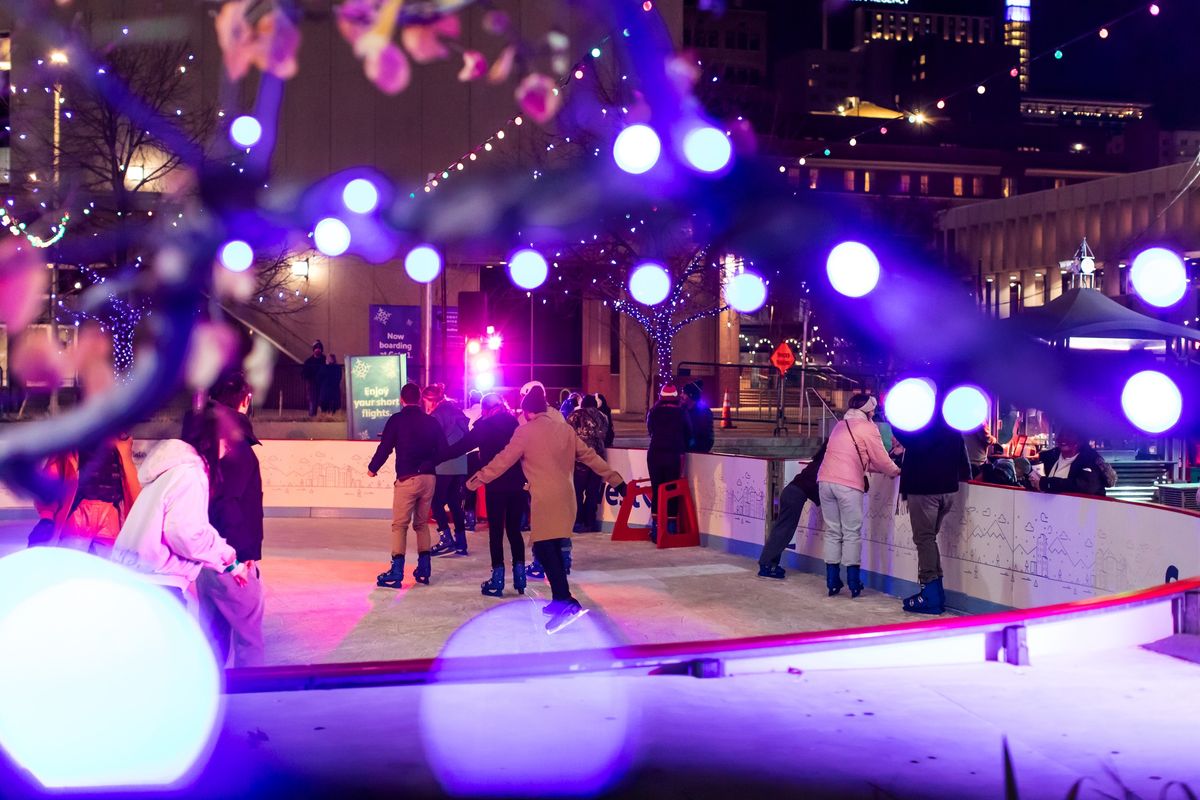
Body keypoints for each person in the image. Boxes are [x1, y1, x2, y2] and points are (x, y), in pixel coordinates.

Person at [466, 385, 627, 634]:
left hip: (545, 500)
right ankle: (560, 599)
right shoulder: (565, 429)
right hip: (567, 498)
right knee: (551, 546)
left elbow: (502, 461)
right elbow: (591, 456)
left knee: (543, 546)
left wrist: (476, 480)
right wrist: (617, 481)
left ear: (527, 411)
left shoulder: (524, 432)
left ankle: (564, 600)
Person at [111, 413, 246, 605]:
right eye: (226, 440)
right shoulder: (190, 475)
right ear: (210, 439)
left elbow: (190, 527)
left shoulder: (173, 471)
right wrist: (224, 556)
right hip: (158, 586)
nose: (229, 447)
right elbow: (185, 534)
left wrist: (231, 562)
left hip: (142, 578)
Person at [194, 372, 267, 667]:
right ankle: (250, 700)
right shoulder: (236, 447)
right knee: (249, 637)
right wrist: (239, 556)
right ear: (245, 401)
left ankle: (212, 698)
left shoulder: (205, 441)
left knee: (213, 635)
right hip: (228, 558)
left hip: (206, 553)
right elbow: (228, 505)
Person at [440, 393, 527, 597]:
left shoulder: (485, 426)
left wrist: (436, 456)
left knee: (496, 532)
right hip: (517, 484)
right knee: (514, 531)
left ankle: (497, 579)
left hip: (495, 484)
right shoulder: (515, 423)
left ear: (486, 409)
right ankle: (520, 576)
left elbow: (460, 448)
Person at [816, 393, 900, 598]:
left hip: (825, 481)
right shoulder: (868, 428)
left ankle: (832, 580)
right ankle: (854, 582)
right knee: (852, 532)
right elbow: (880, 459)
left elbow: (859, 457)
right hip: (848, 485)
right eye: (873, 409)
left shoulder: (840, 425)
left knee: (833, 531)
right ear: (868, 410)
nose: (874, 412)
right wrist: (895, 471)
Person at [367, 382, 446, 588]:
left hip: (407, 479)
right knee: (421, 524)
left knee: (399, 525)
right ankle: (424, 568)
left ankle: (396, 570)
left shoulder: (397, 420)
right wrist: (430, 464)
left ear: (402, 400)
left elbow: (385, 447)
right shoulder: (431, 421)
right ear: (419, 399)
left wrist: (372, 468)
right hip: (429, 479)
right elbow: (444, 449)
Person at [893, 415, 971, 615]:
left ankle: (930, 593)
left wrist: (894, 419)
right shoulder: (952, 423)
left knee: (924, 539)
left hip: (925, 488)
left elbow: (910, 440)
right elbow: (963, 456)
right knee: (929, 539)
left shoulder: (923, 423)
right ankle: (935, 591)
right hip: (948, 489)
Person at [39, 435, 140, 558]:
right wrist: (47, 516)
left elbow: (130, 483)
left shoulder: (120, 442)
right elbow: (51, 478)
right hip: (78, 512)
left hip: (110, 514)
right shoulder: (71, 442)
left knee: (108, 566)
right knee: (71, 561)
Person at [757, 440, 825, 579]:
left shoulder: (816, 464)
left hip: (790, 492)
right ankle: (767, 563)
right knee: (784, 531)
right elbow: (814, 488)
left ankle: (770, 563)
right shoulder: (822, 467)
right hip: (795, 496)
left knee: (781, 529)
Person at [424, 384, 471, 557]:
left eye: (425, 402)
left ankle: (446, 538)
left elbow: (432, 440)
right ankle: (461, 542)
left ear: (430, 400)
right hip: (460, 464)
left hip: (444, 464)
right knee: (454, 502)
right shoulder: (457, 410)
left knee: (436, 502)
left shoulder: (437, 414)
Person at [646, 383, 692, 542]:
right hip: (673, 454)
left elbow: (650, 430)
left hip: (654, 454)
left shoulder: (653, 412)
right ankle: (671, 530)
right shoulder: (682, 413)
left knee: (656, 489)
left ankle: (656, 529)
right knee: (672, 489)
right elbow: (689, 432)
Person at [567, 394, 610, 533]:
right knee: (592, 493)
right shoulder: (603, 417)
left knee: (578, 492)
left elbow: (567, 435)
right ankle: (590, 522)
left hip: (581, 459)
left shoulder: (574, 415)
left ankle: (578, 521)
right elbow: (606, 435)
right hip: (598, 459)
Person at [1029, 428, 1110, 498]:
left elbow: (1084, 487)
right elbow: (1034, 480)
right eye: (1062, 434)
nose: (1064, 439)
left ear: (1080, 440)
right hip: (1047, 512)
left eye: (1069, 435)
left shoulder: (1091, 461)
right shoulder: (1049, 457)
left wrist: (1046, 483)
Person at [682, 381, 715, 454]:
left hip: (699, 451)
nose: (681, 395)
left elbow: (707, 435)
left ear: (691, 395)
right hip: (686, 450)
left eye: (684, 393)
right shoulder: (682, 409)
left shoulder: (704, 412)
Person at [301, 340, 325, 417]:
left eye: (319, 348)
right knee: (313, 402)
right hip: (312, 385)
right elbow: (303, 373)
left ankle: (324, 420)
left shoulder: (325, 360)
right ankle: (312, 418)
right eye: (316, 348)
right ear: (313, 349)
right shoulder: (309, 361)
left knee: (323, 403)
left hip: (323, 385)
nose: (318, 349)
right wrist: (309, 376)